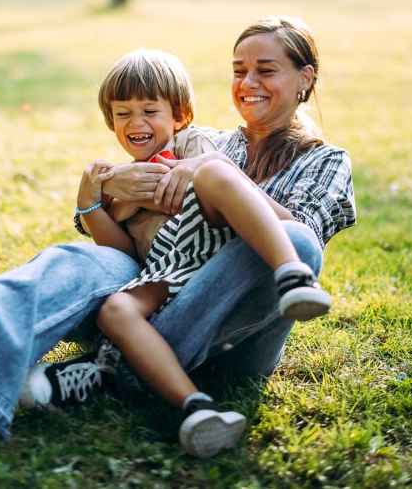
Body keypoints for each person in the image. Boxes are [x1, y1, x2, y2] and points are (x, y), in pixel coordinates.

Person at [0, 16, 356, 448]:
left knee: (294, 244)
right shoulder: (204, 139)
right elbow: (124, 221)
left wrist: (212, 177)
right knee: (78, 260)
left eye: (265, 71)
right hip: (155, 291)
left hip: (233, 331)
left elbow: (304, 232)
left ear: (304, 79)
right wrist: (99, 192)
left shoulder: (323, 160)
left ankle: (114, 371)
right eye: (239, 70)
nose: (248, 82)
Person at [17, 48, 331, 457]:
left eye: (150, 110)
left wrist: (167, 175)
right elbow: (125, 254)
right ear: (111, 120)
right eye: (123, 113)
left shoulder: (193, 141)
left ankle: (291, 274)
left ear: (179, 115)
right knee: (115, 310)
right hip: (166, 270)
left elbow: (219, 175)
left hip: (211, 256)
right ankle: (194, 407)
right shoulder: (121, 183)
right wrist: (92, 204)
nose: (136, 123)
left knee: (216, 171)